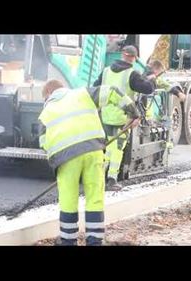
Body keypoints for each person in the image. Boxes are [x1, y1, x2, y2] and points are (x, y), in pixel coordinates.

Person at [38, 79, 139, 246]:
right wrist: (133, 112)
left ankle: (68, 241)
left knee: (68, 200)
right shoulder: (83, 94)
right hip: (93, 151)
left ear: (48, 95)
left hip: (65, 159)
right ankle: (94, 241)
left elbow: (43, 143)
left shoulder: (45, 113)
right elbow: (113, 91)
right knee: (94, 197)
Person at [93, 45, 155, 191]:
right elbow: (148, 89)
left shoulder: (106, 71)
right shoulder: (131, 74)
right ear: (134, 58)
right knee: (118, 149)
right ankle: (111, 179)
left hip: (106, 116)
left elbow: (96, 87)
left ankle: (99, 177)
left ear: (122, 55)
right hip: (123, 118)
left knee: (108, 147)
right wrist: (152, 79)